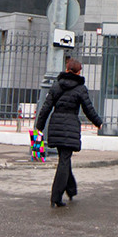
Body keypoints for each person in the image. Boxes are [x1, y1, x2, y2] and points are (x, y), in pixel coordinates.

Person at [35, 58, 103, 208]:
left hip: (56, 124)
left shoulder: (56, 85)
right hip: (70, 125)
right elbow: (88, 109)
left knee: (64, 158)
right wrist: (98, 122)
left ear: (66, 69)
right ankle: (56, 196)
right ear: (79, 72)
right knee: (64, 160)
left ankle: (71, 189)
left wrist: (39, 126)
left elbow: (46, 107)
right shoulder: (80, 88)